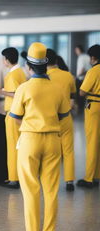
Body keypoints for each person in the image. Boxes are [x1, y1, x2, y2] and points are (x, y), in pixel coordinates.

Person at [10, 42, 70, 231]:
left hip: (30, 139)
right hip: (53, 139)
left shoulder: (24, 88)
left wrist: (29, 125)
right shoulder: (58, 88)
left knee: (31, 189)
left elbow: (15, 117)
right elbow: (64, 117)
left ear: (28, 66)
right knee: (51, 190)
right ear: (46, 64)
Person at [0, 47, 26, 189]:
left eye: (3, 59)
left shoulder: (13, 75)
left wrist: (0, 91)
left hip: (13, 113)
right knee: (18, 146)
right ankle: (17, 176)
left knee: (13, 147)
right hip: (18, 113)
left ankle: (14, 178)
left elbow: (15, 94)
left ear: (6, 59)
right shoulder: (20, 72)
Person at [46, 49, 76, 191]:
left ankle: (51, 180)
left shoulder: (44, 78)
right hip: (66, 117)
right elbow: (72, 97)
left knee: (51, 152)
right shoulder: (68, 75)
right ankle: (69, 181)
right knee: (68, 150)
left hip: (49, 120)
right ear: (56, 60)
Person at [77, 44, 100, 188]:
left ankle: (89, 178)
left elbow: (82, 92)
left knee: (92, 142)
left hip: (94, 107)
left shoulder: (93, 72)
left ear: (93, 58)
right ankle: (97, 175)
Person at [75, 45, 91, 112]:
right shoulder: (87, 56)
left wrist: (77, 76)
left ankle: (80, 110)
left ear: (79, 50)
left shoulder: (81, 57)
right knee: (86, 96)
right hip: (87, 78)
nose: (75, 51)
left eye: (76, 50)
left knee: (79, 96)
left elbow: (82, 68)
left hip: (81, 79)